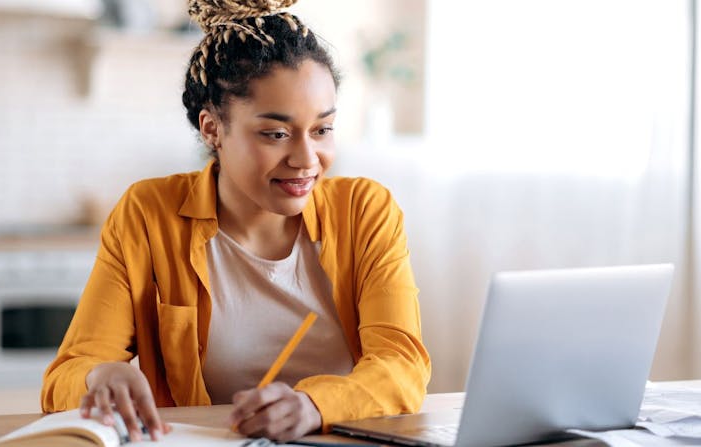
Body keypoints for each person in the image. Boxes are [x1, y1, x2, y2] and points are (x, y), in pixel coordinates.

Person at [41, 0, 431, 442]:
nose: (306, 160)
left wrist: (312, 406)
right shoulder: (148, 214)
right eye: (275, 134)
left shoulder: (365, 210)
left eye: (322, 130)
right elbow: (64, 379)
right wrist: (98, 377)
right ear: (212, 129)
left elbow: (402, 365)